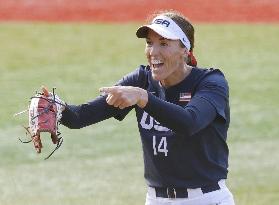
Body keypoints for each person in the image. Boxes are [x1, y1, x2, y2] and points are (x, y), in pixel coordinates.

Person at [60, 10, 235, 205]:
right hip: (155, 200)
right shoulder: (141, 80)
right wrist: (57, 108)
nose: (153, 52)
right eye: (149, 43)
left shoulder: (210, 82)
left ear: (185, 50)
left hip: (205, 199)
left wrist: (144, 98)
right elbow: (79, 117)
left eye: (164, 44)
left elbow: (189, 122)